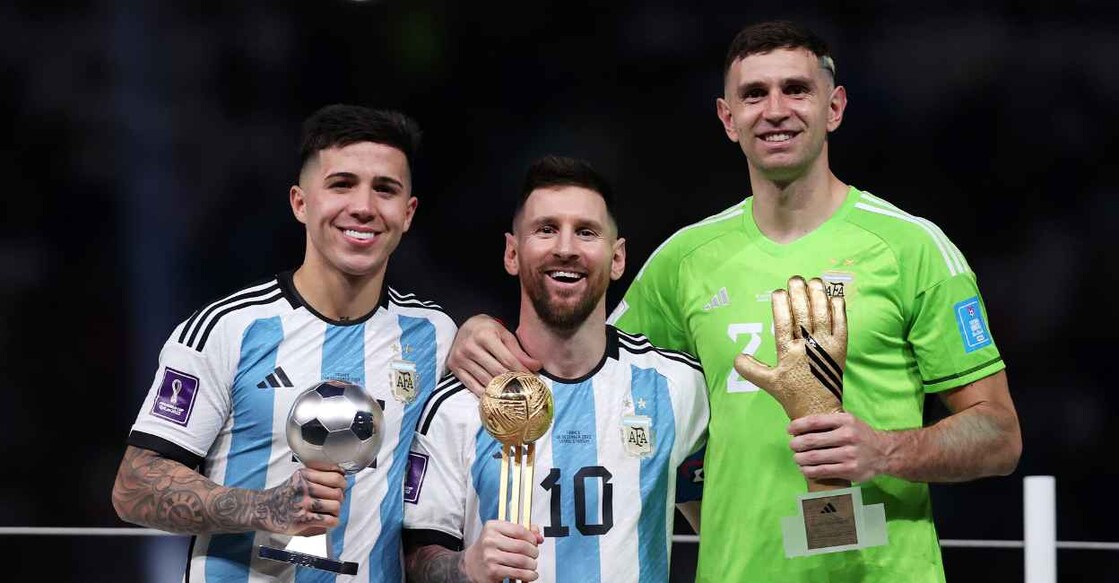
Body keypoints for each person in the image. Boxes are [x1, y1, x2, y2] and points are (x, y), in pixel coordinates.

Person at [446, 21, 1022, 582]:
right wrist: (475, 331)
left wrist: (885, 452)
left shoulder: (911, 247)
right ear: (729, 118)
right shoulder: (686, 261)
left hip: (883, 571)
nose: (775, 109)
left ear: (835, 108)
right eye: (754, 94)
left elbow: (999, 434)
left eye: (796, 90)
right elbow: (587, 364)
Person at [111, 104, 457, 582]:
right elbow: (133, 487)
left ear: (408, 212)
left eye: (386, 189)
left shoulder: (435, 336)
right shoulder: (228, 328)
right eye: (341, 184)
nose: (364, 206)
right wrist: (264, 508)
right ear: (300, 202)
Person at [401, 156, 708, 582]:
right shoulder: (459, 402)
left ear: (617, 259)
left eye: (586, 232)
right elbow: (412, 562)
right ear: (512, 252)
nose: (565, 248)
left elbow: (731, 496)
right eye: (546, 230)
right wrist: (466, 565)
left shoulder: (679, 386)